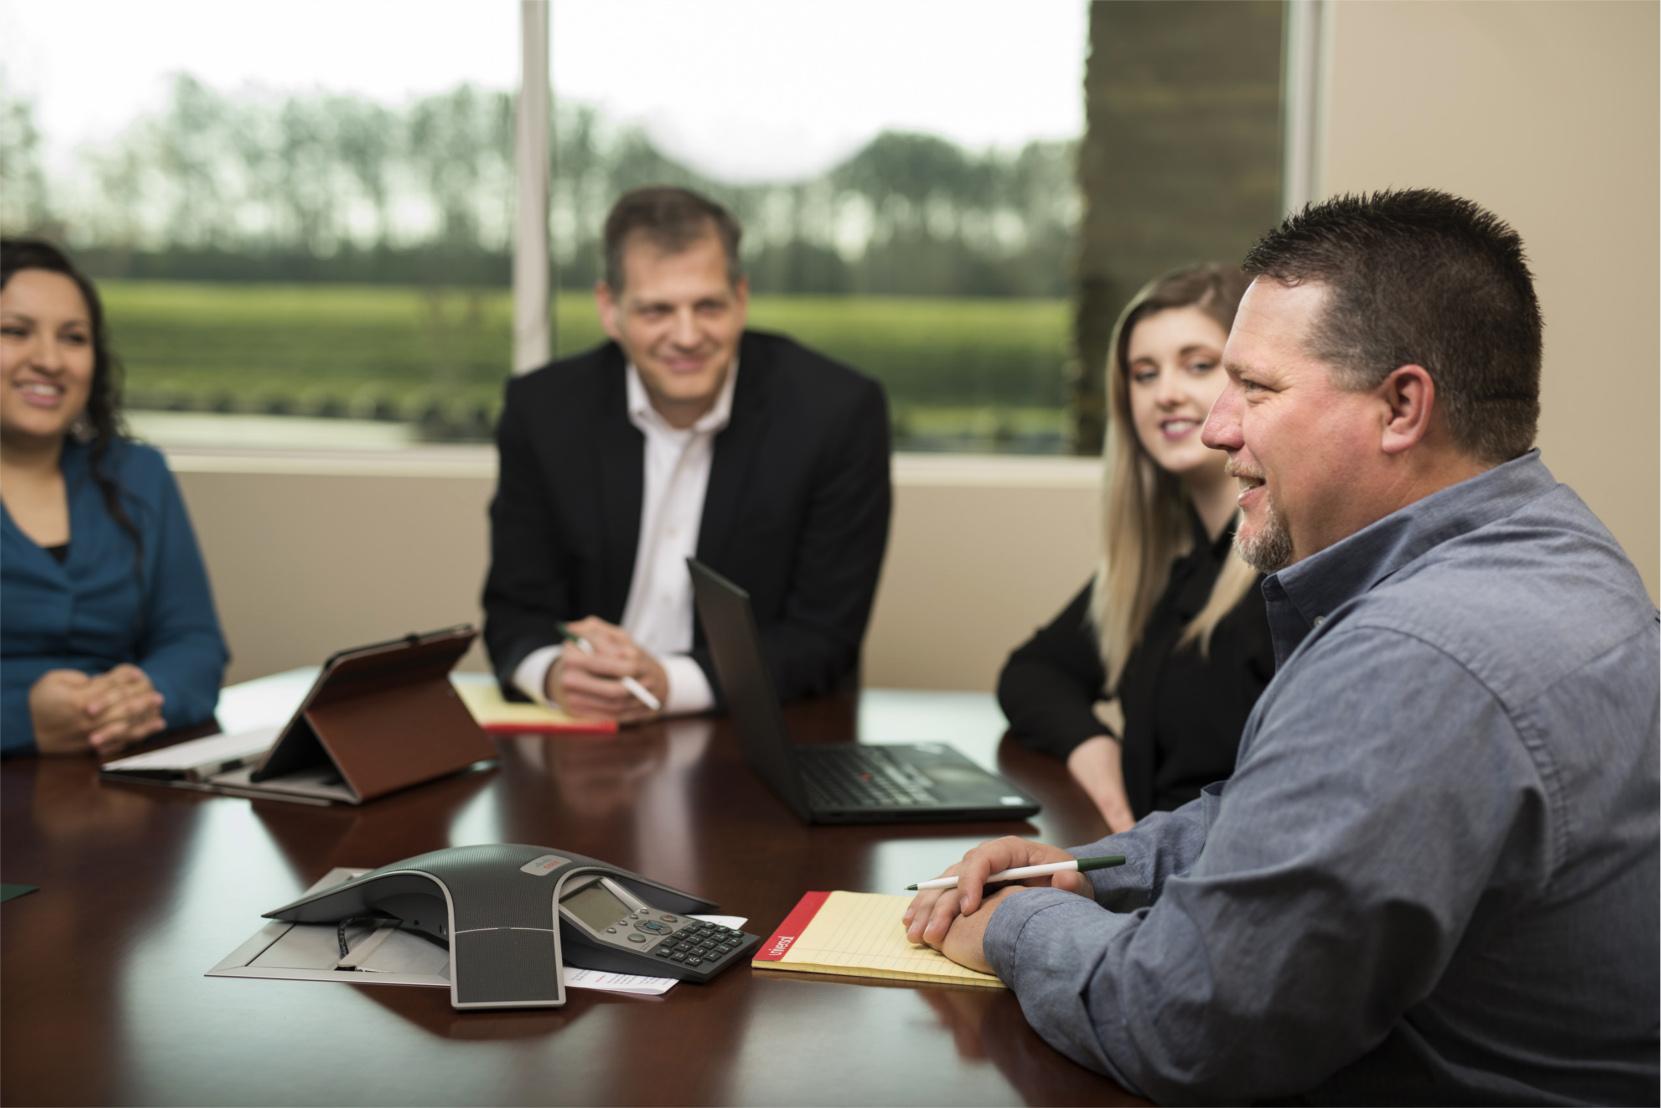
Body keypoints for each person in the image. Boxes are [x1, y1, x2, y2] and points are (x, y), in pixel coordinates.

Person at [905, 190, 1658, 1104]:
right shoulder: (1558, 546)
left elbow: (1186, 1024)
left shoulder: (1412, 660)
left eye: (1253, 388)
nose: (1217, 425)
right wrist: (1087, 872)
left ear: (1400, 408)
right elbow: (1285, 819)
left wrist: (1018, 926)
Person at [482, 187, 890, 723]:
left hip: (757, 737)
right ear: (610, 309)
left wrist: (668, 682)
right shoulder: (544, 410)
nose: (686, 335)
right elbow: (516, 611)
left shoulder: (836, 412)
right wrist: (556, 674)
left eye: (708, 305)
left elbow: (823, 635)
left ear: (741, 299)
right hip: (582, 734)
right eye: (655, 310)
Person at [998, 264, 1272, 831]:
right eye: (1143, 374)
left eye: (1198, 366)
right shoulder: (1163, 564)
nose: (1165, 393)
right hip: (1144, 878)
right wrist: (1092, 747)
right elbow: (1032, 672)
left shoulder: (1284, 570)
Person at [1, 239, 228, 757]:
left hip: (126, 782)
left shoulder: (140, 475)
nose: (50, 360)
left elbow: (195, 644)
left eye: (74, 338)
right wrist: (21, 716)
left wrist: (145, 696)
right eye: (15, 332)